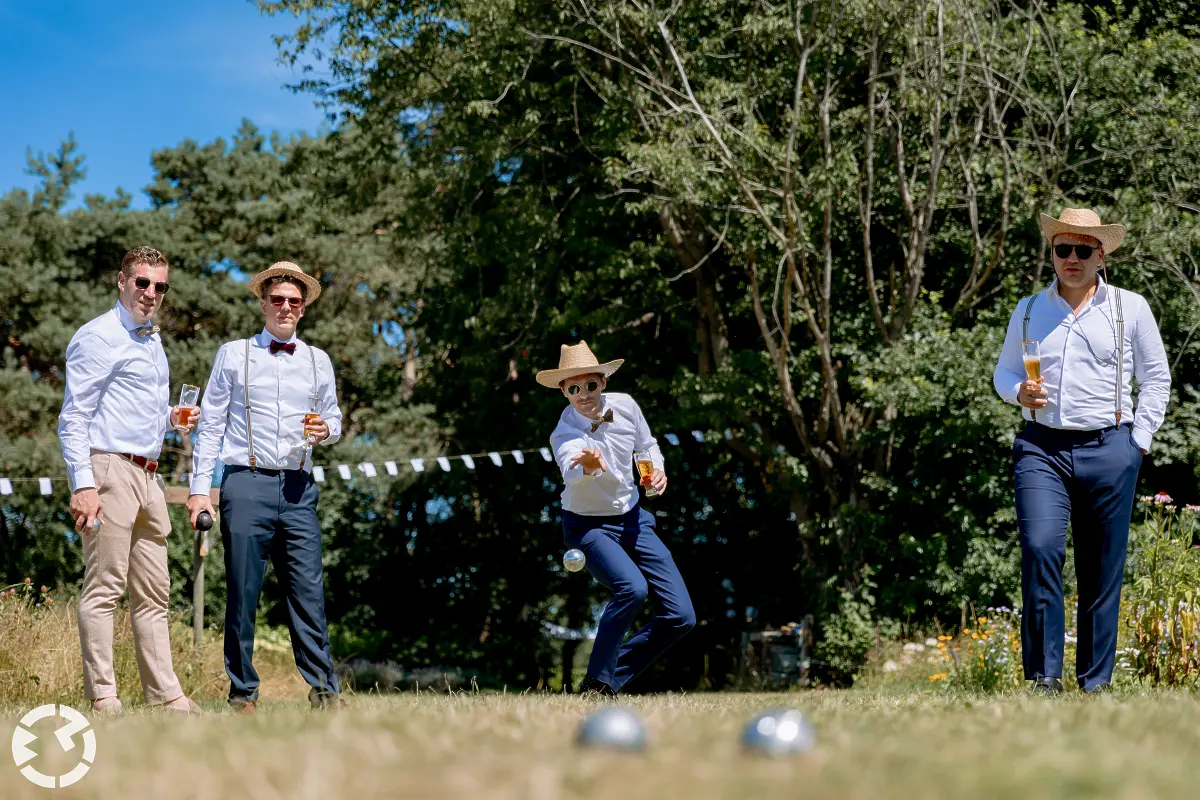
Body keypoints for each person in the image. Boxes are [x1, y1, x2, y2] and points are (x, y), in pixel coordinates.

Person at [993, 208, 1170, 694]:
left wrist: (1138, 442)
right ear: (1052, 254)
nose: (1072, 258)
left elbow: (1156, 379)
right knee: (1041, 547)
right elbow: (1004, 372)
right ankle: (1044, 678)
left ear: (1101, 253)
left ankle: (1094, 683)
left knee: (1100, 567)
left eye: (1083, 249)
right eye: (1062, 249)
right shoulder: (1029, 310)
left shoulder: (1130, 308)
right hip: (1042, 447)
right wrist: (1017, 394)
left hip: (1111, 446)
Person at [186, 261, 344, 712]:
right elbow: (211, 426)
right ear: (263, 304)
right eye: (278, 299)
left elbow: (333, 419)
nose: (286, 307)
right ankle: (243, 694)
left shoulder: (319, 360)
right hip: (245, 481)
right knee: (242, 592)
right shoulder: (233, 354)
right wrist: (201, 490)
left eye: (295, 301)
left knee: (308, 592)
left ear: (304, 307)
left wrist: (325, 431)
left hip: (298, 487)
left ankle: (325, 691)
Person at [58, 246, 201, 714]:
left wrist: (171, 419)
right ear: (122, 281)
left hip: (149, 476)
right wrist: (83, 485)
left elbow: (132, 411)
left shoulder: (151, 339)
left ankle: (166, 698)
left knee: (154, 593)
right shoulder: (97, 337)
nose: (151, 293)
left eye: (160, 286)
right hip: (108, 471)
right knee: (104, 589)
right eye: (143, 282)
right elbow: (74, 419)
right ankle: (104, 698)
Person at [537, 341, 696, 695]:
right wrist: (588, 466)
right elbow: (570, 470)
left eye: (589, 385)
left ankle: (607, 677)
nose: (583, 394)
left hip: (634, 519)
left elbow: (647, 445)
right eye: (573, 387)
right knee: (632, 588)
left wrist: (656, 471)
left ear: (602, 382)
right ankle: (597, 684)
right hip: (588, 526)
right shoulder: (564, 433)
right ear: (563, 391)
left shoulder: (626, 407)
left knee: (681, 616)